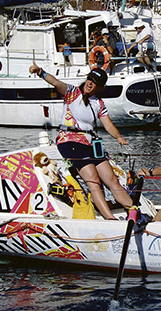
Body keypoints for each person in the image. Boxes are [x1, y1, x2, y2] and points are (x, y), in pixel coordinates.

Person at [29, 62, 132, 220]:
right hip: (69, 142)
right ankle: (110, 219)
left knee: (112, 179)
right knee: (94, 180)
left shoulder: (99, 103)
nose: (90, 83)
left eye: (95, 82)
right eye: (90, 79)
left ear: (99, 86)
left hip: (90, 144)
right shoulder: (72, 93)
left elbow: (108, 124)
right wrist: (40, 71)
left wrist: (118, 137)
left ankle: (134, 213)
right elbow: (55, 82)